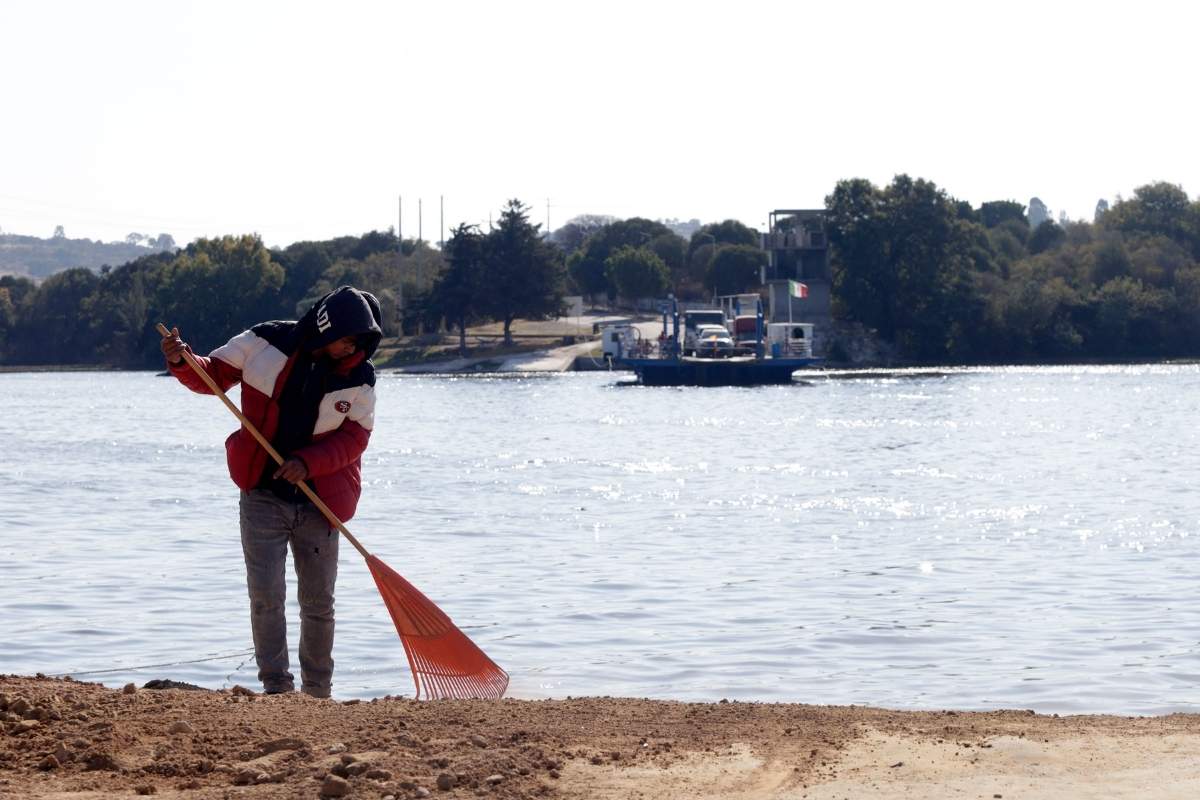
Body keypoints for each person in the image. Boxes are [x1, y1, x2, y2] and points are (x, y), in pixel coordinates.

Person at [160, 286, 382, 698]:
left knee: (319, 604)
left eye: (358, 343)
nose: (350, 349)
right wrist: (180, 360)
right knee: (266, 596)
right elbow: (212, 376)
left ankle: (318, 691)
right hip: (261, 493)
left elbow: (355, 440)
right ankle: (277, 686)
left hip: (320, 503)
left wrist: (308, 464)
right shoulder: (264, 341)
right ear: (324, 326)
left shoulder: (361, 378)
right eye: (347, 339)